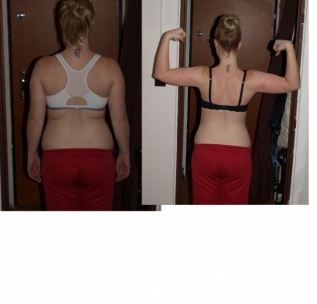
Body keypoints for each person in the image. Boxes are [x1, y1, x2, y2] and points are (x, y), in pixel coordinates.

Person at [152, 14, 300, 205]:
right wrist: (289, 47)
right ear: (240, 44)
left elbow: (160, 73)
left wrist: (166, 37)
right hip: (238, 157)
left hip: (206, 154)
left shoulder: (202, 75)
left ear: (215, 43)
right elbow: (292, 83)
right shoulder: (250, 79)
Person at [27, 0, 130, 211]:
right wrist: (125, 153)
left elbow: (35, 119)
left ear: (61, 23)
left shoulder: (43, 67)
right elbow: (120, 119)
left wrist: (31, 154)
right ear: (91, 23)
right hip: (98, 160)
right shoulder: (110, 68)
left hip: (57, 160)